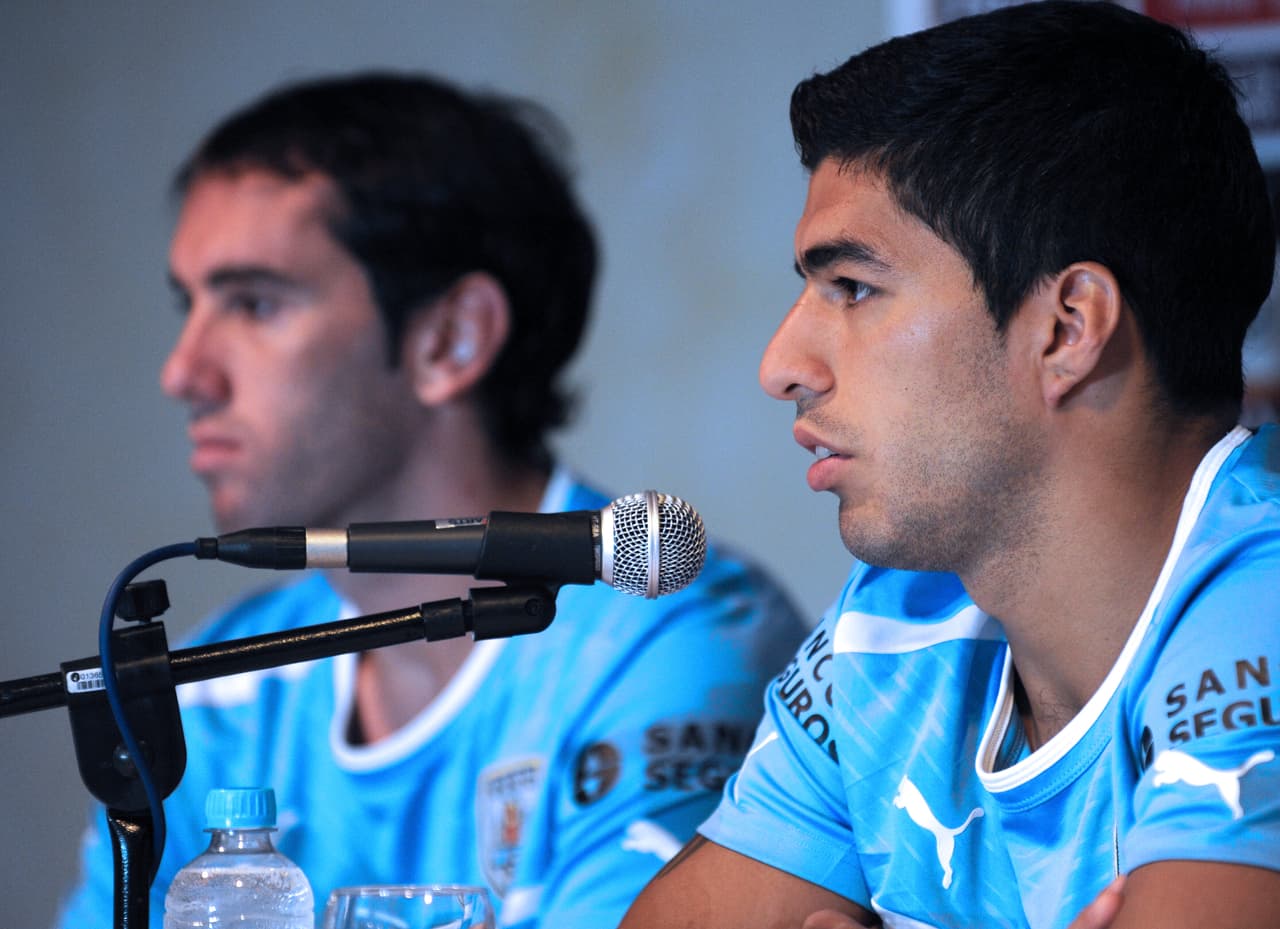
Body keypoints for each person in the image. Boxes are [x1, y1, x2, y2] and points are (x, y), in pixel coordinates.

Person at [54, 72, 807, 929]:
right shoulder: (218, 684)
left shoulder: (673, 634)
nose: (183, 373)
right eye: (189, 307)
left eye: (254, 304)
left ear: (450, 339)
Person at [620, 3, 1280, 928]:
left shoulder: (1263, 604)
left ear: (1067, 329)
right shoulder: (896, 617)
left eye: (853, 287)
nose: (782, 366)